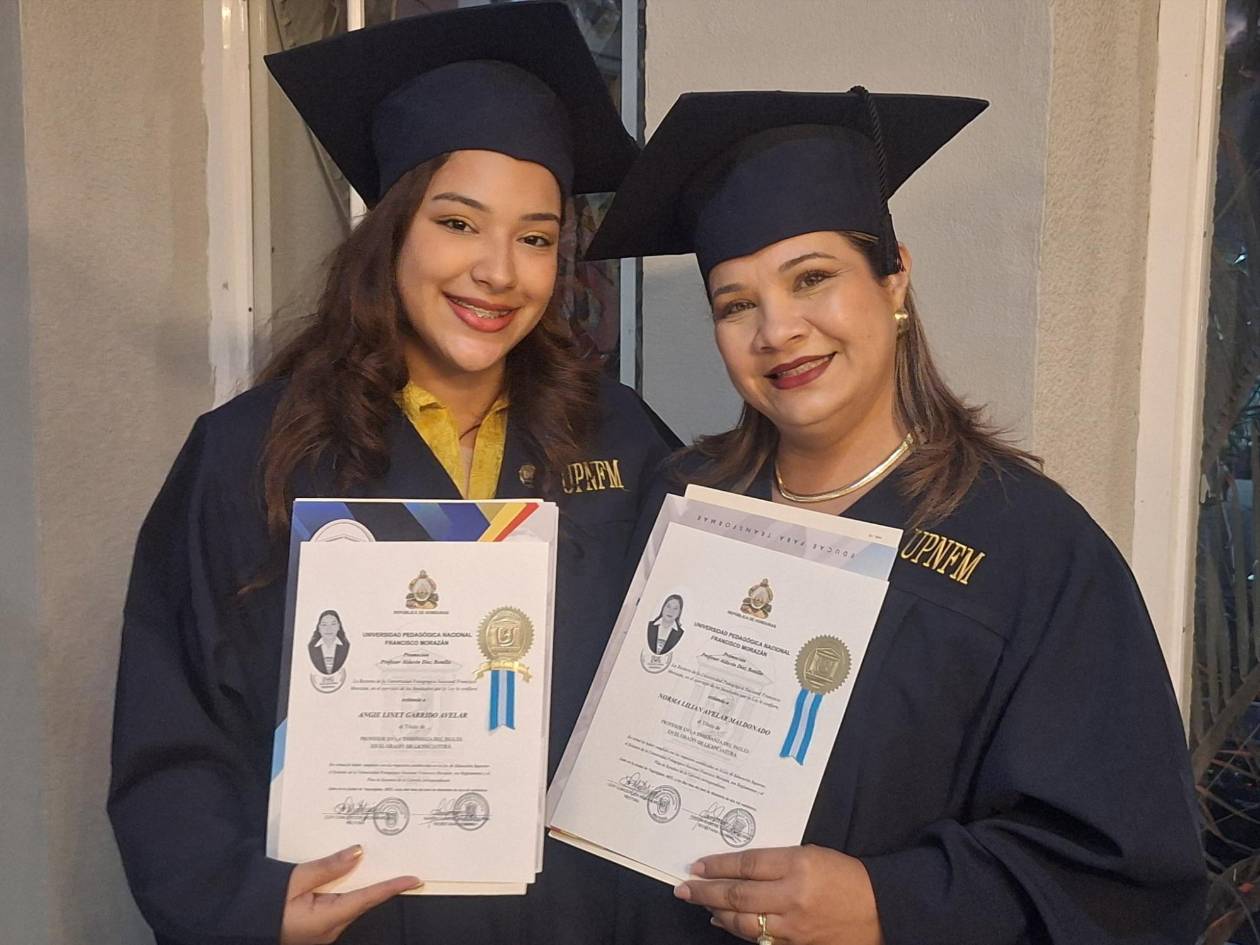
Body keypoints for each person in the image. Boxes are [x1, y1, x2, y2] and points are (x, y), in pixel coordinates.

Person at [108, 5, 676, 945]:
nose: (499, 272)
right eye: (458, 223)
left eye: (536, 238)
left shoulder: (618, 436)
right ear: (392, 228)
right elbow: (176, 727)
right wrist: (244, 906)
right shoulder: (250, 453)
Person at [584, 89, 1207, 944]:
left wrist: (889, 901)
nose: (778, 330)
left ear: (895, 277)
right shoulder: (679, 502)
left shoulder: (1031, 549)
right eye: (736, 303)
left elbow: (1124, 879)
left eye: (812, 278)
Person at [308, 610, 349, 676]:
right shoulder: (311, 647)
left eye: (333, 624)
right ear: (319, 628)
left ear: (338, 626)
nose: (329, 629)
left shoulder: (346, 645)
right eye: (324, 625)